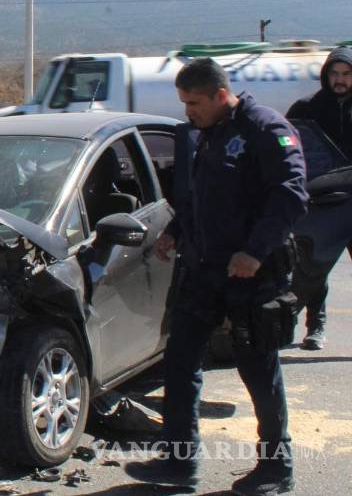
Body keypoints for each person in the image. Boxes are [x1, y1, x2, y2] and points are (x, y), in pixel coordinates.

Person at [124, 58, 307, 496]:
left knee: (258, 369)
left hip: (250, 273)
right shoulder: (206, 134)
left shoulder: (265, 129)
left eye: (194, 103)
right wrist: (175, 232)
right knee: (181, 361)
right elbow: (201, 198)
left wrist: (255, 251)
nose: (188, 112)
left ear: (221, 95)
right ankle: (179, 462)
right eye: (184, 103)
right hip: (203, 269)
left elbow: (291, 194)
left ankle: (276, 468)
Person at [286, 45, 352, 350]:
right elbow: (289, 149)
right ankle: (316, 325)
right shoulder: (306, 108)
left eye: (346, 74)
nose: (340, 80)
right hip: (322, 201)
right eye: (335, 73)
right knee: (314, 265)